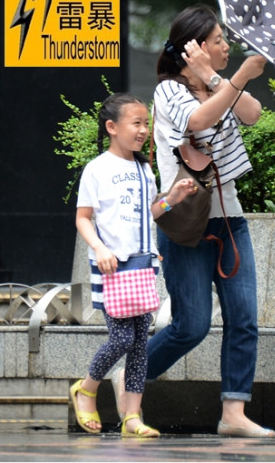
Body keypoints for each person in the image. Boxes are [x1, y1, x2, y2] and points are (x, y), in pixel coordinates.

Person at [114, 4, 275, 437]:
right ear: (195, 48)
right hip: (186, 224)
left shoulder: (218, 85)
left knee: (244, 319)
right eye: (219, 40)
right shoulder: (168, 92)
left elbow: (252, 114)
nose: (227, 47)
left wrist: (222, 78)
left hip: (230, 220)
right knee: (192, 326)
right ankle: (128, 381)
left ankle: (233, 414)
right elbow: (198, 120)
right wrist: (237, 77)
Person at [72, 93, 196, 437]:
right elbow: (83, 219)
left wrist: (172, 200)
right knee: (122, 338)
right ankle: (87, 389)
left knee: (140, 342)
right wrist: (99, 248)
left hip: (142, 264)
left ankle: (132, 416)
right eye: (136, 123)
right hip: (112, 266)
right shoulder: (97, 169)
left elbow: (150, 213)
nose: (143, 130)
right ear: (112, 127)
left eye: (146, 123)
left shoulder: (144, 168)